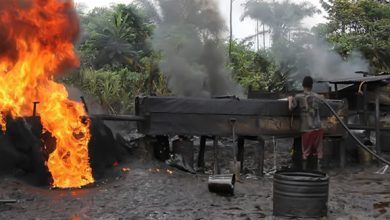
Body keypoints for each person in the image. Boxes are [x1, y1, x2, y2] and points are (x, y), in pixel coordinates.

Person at [288, 76, 324, 171]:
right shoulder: (318, 96)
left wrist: (290, 100)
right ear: (312, 86)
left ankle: (304, 171)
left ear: (303, 85)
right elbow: (323, 102)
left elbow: (291, 108)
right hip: (318, 128)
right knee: (318, 151)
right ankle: (319, 170)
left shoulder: (299, 97)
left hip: (307, 128)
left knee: (306, 152)